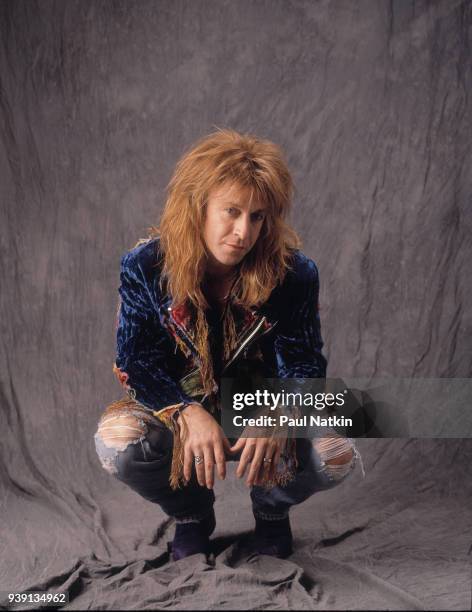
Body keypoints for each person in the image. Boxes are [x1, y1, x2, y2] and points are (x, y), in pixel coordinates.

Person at [94, 128, 364, 561]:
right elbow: (136, 361)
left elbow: (303, 361)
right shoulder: (146, 266)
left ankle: (271, 511)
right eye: (231, 211)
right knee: (118, 442)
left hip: (255, 403)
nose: (244, 231)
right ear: (197, 206)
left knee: (338, 451)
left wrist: (278, 410)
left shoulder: (294, 274)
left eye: (257, 217)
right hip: (184, 406)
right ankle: (192, 514)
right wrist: (186, 411)